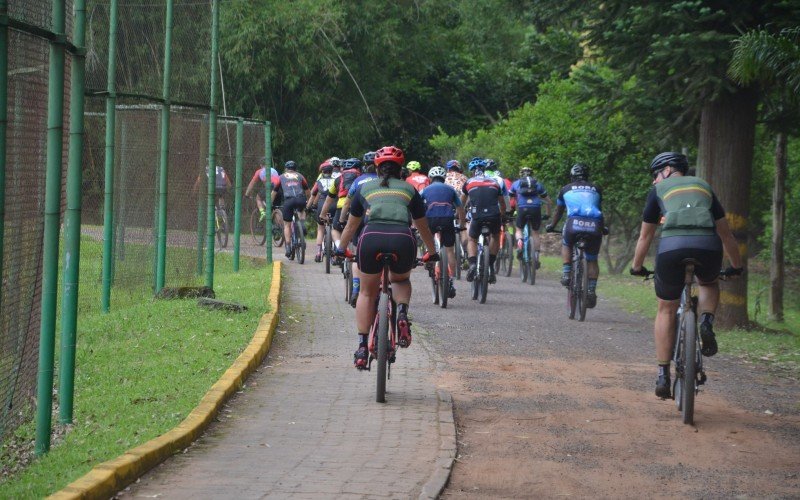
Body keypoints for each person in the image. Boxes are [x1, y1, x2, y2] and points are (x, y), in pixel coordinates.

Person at [629, 152, 743, 399]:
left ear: (667, 170)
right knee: (709, 282)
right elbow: (726, 235)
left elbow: (645, 236)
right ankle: (706, 321)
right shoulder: (704, 187)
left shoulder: (658, 192)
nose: (653, 181)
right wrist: (736, 266)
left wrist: (636, 267)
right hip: (708, 246)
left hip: (672, 247)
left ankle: (662, 375)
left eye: (655, 174)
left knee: (666, 308)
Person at [335, 145, 438, 370]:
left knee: (366, 292)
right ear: (400, 168)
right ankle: (401, 312)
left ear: (377, 167)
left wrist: (341, 248)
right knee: (400, 279)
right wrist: (432, 252)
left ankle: (362, 347)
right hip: (402, 238)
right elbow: (423, 226)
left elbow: (351, 226)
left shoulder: (364, 188)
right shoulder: (409, 190)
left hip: (371, 238)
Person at [546, 164, 605, 307]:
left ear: (572, 176)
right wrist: (603, 227)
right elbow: (598, 209)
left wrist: (552, 226)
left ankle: (566, 272)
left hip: (574, 224)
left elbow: (559, 212)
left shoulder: (565, 189)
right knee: (592, 260)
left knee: (566, 243)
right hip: (594, 225)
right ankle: (591, 290)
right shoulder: (596, 189)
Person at [421, 166, 467, 298]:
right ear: (444, 178)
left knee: (428, 240)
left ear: (430, 178)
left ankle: (429, 258)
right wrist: (462, 224)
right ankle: (451, 280)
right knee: (449, 250)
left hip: (431, 220)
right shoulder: (450, 189)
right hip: (447, 220)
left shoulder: (425, 189)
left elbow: (417, 206)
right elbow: (460, 208)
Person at [461, 157, 506, 283]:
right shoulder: (494, 182)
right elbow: (502, 203)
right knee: (495, 236)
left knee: (472, 239)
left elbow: (462, 202)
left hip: (477, 215)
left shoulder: (469, 182)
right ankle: (490, 265)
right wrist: (503, 216)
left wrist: (460, 215)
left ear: (472, 172)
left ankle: (473, 264)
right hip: (494, 214)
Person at [510, 167, 552, 268]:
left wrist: (510, 211)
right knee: (535, 232)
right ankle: (536, 257)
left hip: (522, 208)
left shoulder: (516, 183)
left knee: (519, 229)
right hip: (535, 208)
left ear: (520, 174)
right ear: (531, 174)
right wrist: (548, 214)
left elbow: (510, 197)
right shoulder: (537, 184)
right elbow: (548, 201)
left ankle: (520, 246)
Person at [272, 160, 310, 257]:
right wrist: (309, 202)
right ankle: (302, 223)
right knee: (302, 210)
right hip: (300, 199)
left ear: (286, 169)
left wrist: (270, 204)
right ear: (295, 169)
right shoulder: (300, 176)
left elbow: (274, 192)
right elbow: (307, 191)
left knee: (287, 225)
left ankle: (288, 247)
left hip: (288, 201)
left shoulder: (281, 177)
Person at [320, 156, 361, 245]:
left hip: (341, 206)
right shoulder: (362, 178)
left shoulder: (338, 179)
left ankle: (339, 248)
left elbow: (328, 200)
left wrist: (322, 215)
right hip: (359, 206)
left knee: (335, 229)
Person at [306, 159, 336, 262]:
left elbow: (313, 196)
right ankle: (335, 254)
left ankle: (318, 253)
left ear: (322, 172)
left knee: (320, 229)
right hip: (334, 205)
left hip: (322, 205)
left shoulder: (318, 182)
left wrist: (308, 208)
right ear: (332, 172)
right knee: (334, 229)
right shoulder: (336, 180)